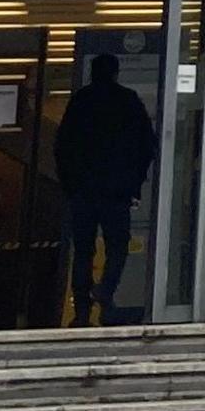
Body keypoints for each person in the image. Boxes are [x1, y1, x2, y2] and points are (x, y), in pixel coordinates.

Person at [52, 49, 156, 328]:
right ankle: (106, 291)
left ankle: (82, 311)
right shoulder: (128, 101)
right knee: (117, 246)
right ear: (115, 72)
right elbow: (147, 145)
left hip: (83, 190)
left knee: (83, 250)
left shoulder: (81, 102)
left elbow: (62, 146)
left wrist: (69, 184)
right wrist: (135, 182)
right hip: (116, 191)